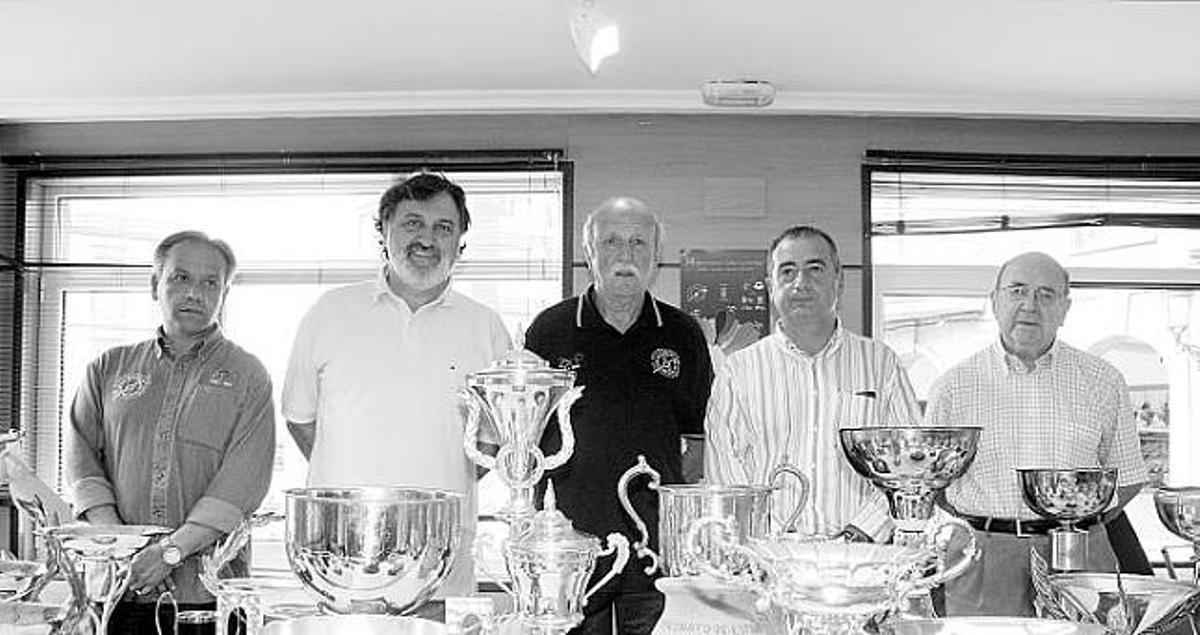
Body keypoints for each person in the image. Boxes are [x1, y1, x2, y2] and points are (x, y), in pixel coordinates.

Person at [282, 173, 510, 600]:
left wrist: (437, 483)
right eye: (412, 223)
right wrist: (359, 478)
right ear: (383, 234)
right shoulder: (329, 312)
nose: (427, 239)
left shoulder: (486, 328)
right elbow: (301, 420)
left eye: (444, 227)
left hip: (440, 561)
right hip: (343, 558)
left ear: (461, 243)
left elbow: (490, 446)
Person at [67, 231, 276, 634]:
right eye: (181, 278)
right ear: (155, 285)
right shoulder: (107, 369)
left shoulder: (249, 376)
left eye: (210, 282)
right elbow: (83, 467)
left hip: (209, 596)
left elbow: (241, 485)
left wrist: (169, 553)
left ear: (224, 294)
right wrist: (127, 549)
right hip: (117, 591)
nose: (195, 293)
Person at [924, 251, 1149, 617]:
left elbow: (1128, 477)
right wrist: (988, 528)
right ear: (994, 301)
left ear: (1065, 308)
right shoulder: (953, 386)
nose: (1030, 305)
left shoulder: (1104, 380)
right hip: (982, 558)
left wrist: (1078, 523)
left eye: (1046, 294)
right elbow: (932, 482)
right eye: (1017, 291)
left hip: (1081, 556)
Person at [526, 197, 713, 635]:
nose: (625, 254)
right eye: (610, 241)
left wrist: (665, 512)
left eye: (638, 242)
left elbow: (696, 446)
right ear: (589, 253)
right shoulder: (549, 330)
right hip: (569, 547)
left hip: (655, 548)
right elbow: (525, 442)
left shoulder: (684, 334)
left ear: (656, 255)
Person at [704, 225, 920, 541]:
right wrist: (769, 542)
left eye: (815, 269)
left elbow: (909, 463)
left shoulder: (881, 364)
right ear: (770, 286)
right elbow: (725, 471)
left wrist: (862, 533)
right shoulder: (738, 372)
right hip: (768, 555)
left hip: (863, 555)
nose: (800, 282)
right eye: (787, 271)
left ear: (839, 280)